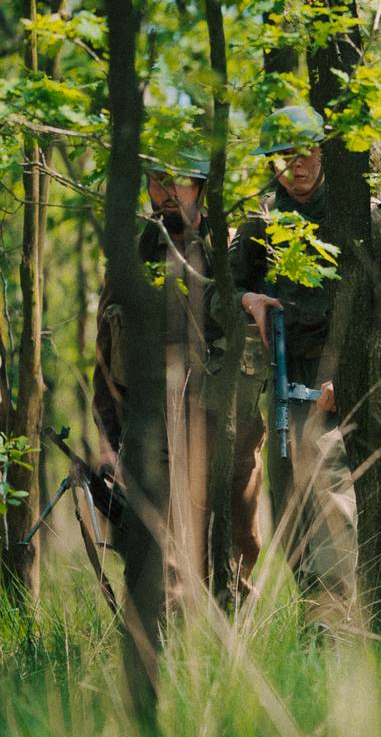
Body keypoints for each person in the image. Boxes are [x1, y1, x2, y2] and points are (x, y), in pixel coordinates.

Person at [92, 147, 240, 604]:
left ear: (200, 187)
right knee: (153, 540)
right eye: (157, 180)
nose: (167, 193)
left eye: (178, 181)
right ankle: (163, 637)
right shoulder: (132, 254)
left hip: (220, 420)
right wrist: (106, 437)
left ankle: (232, 632)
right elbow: (105, 348)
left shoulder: (231, 251)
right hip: (148, 418)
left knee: (233, 539)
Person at [230, 105, 358, 629]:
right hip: (283, 378)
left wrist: (344, 372)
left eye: (304, 151)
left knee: (332, 494)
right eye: (283, 155)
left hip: (343, 377)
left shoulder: (354, 213)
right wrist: (249, 302)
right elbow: (225, 288)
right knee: (288, 499)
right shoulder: (260, 220)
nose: (296, 165)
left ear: (322, 151)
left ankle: (336, 618)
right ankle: (314, 615)